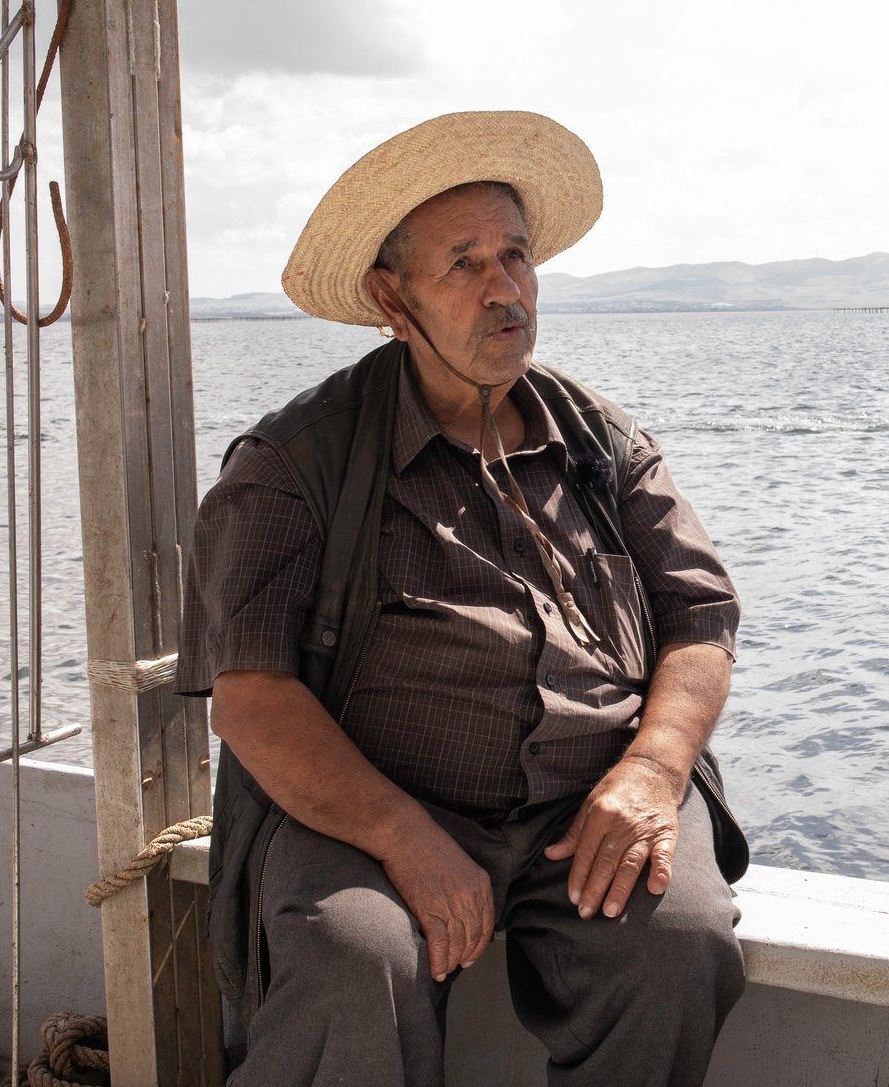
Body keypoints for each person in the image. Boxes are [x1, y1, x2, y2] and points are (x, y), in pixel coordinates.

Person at [177, 111, 748, 1087]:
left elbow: (700, 621)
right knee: (356, 962)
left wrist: (653, 768)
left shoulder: (602, 441)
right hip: (363, 808)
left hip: (594, 796)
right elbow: (253, 703)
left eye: (515, 258)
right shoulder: (290, 468)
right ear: (391, 300)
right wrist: (404, 836)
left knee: (681, 943)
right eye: (465, 265)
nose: (504, 291)